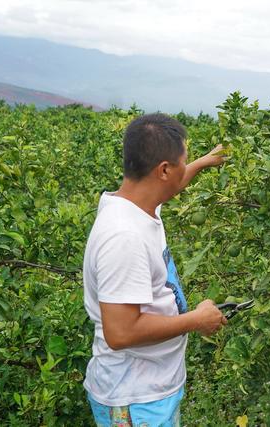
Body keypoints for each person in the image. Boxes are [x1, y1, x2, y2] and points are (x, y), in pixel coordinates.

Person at [83, 113, 227, 426]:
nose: (183, 168)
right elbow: (120, 332)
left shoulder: (136, 203)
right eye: (182, 161)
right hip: (133, 400)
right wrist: (196, 320)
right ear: (163, 170)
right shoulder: (124, 236)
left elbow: (172, 185)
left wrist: (202, 162)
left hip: (150, 389)